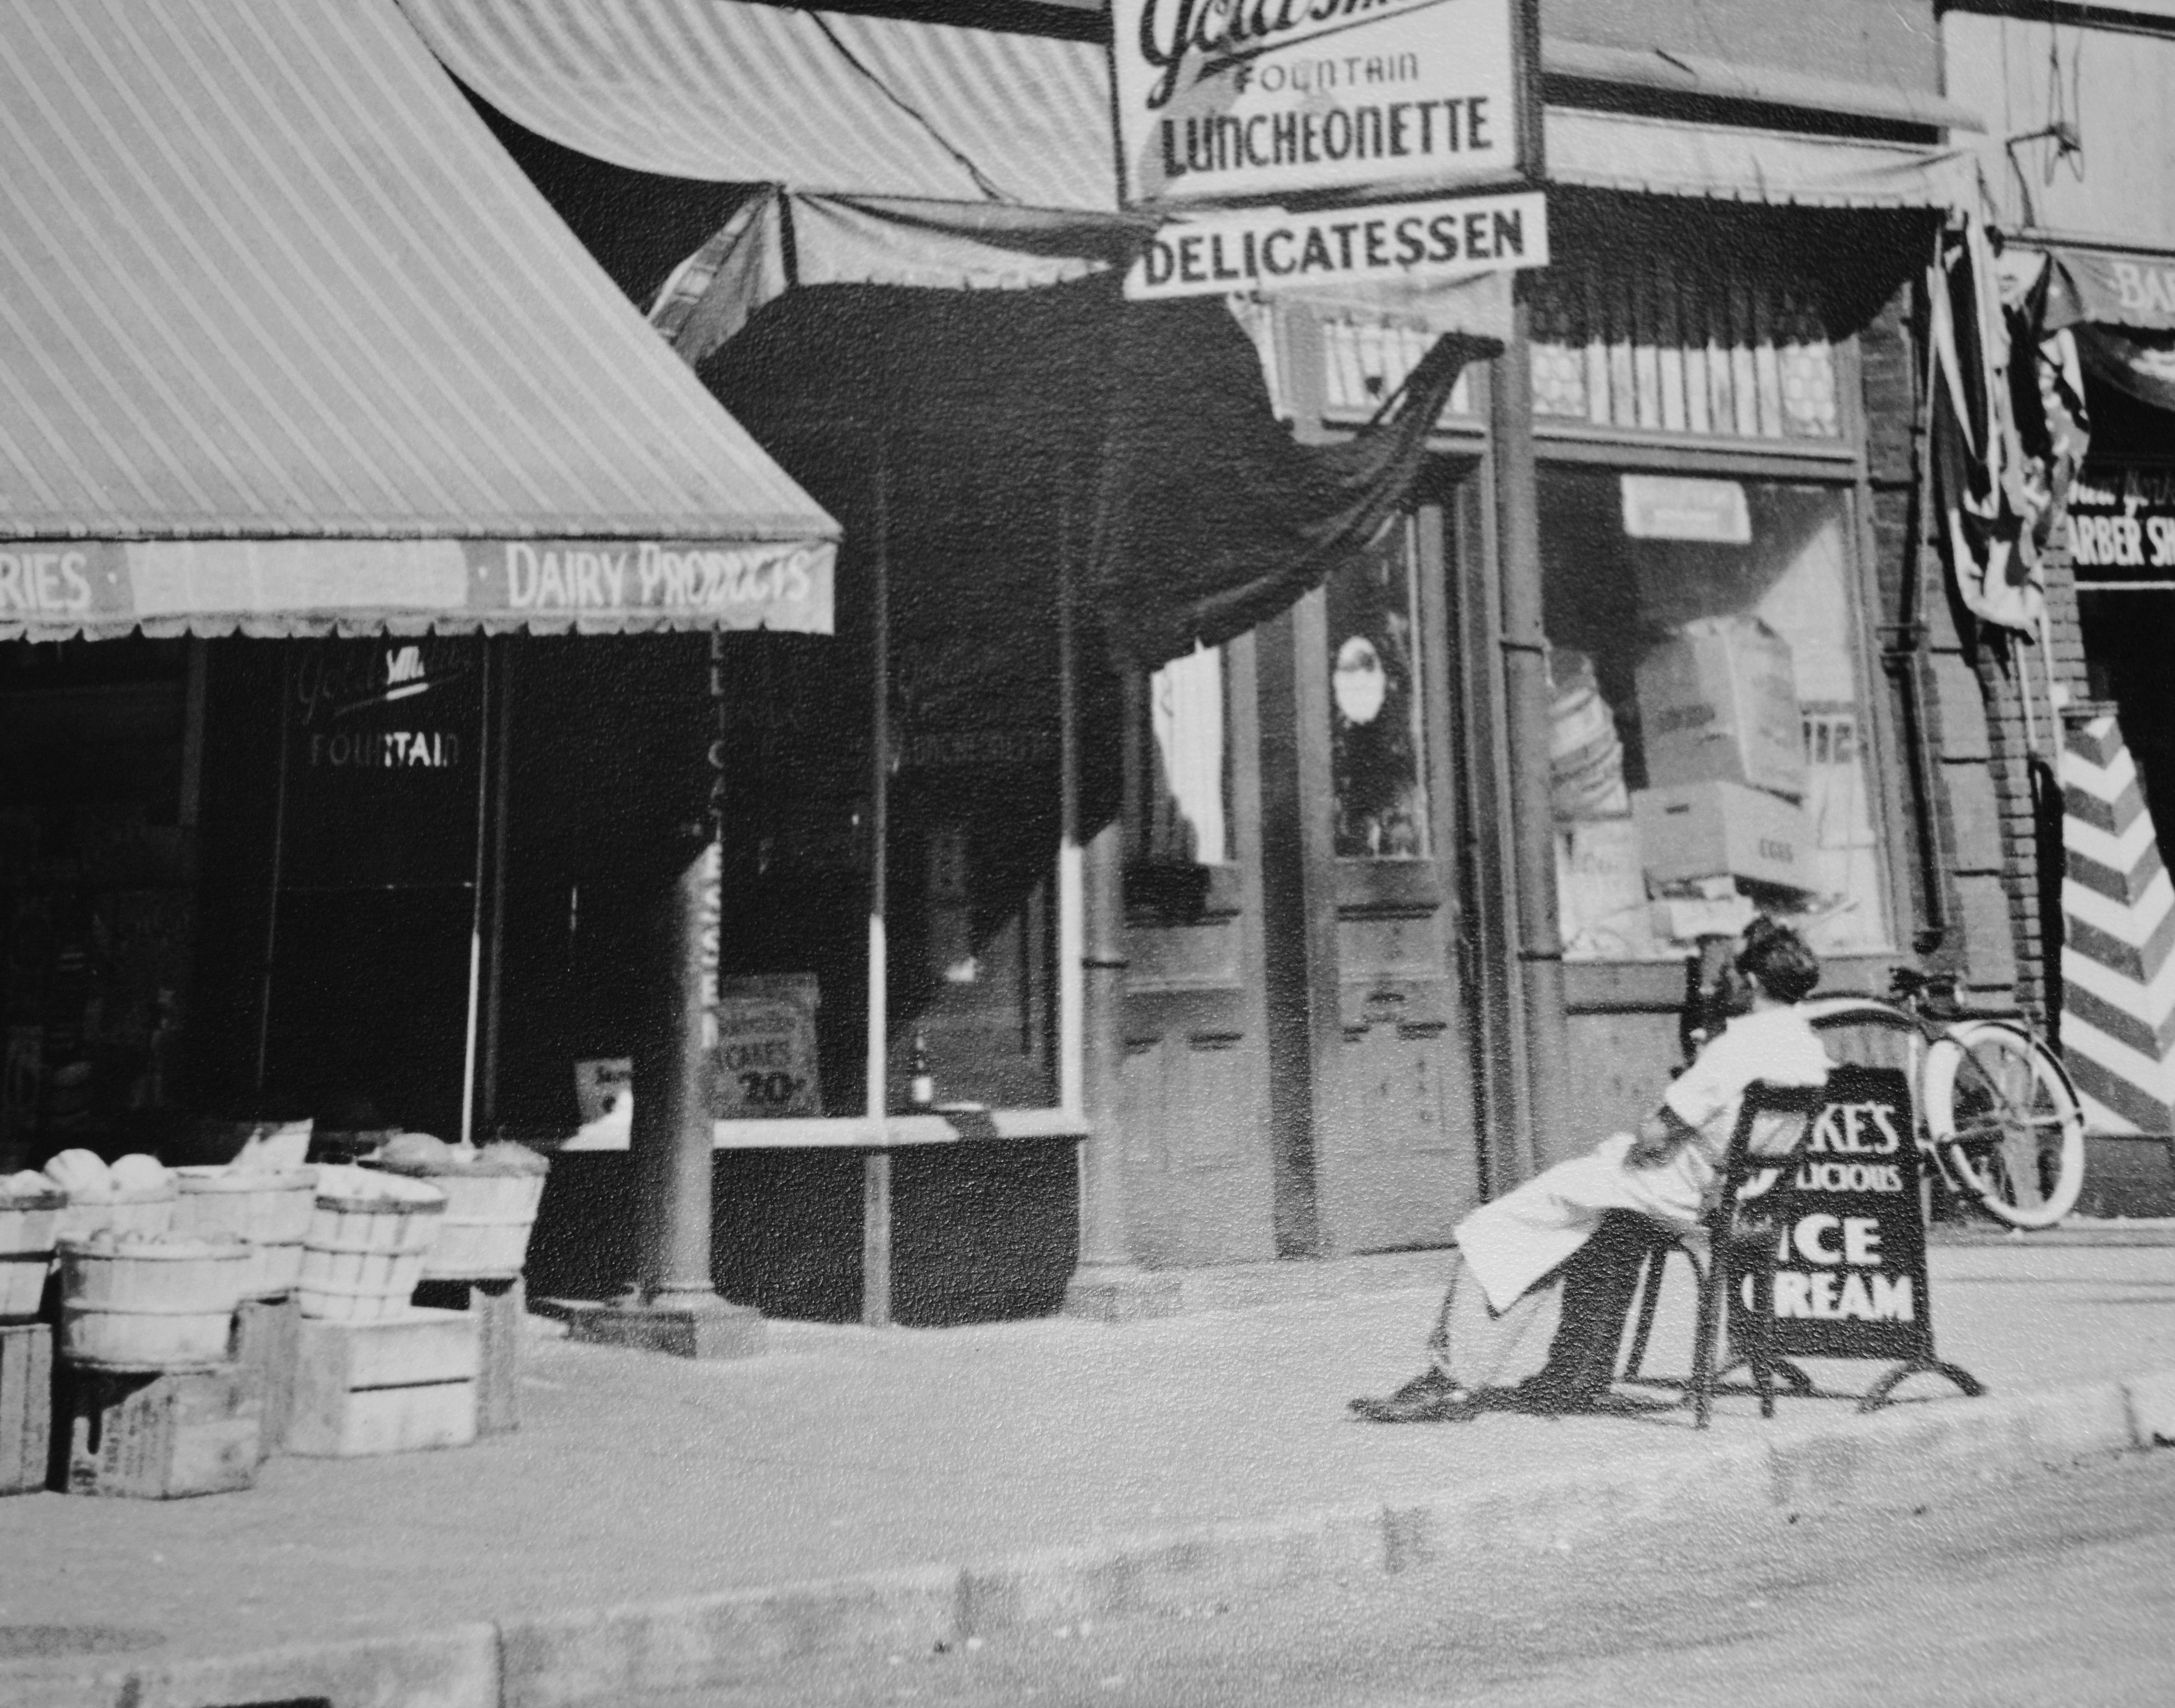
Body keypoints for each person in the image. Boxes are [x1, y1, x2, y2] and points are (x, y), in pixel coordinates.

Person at [1351, 916, 1832, 1424]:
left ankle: (1452, 1379)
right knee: (1606, 1230)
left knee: (1502, 1224)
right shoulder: (1809, 1050)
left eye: (1733, 970)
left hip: (1673, 1189)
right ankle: (1576, 1376)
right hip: (1733, 1200)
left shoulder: (1740, 1045)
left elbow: (1658, 1131)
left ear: (1752, 981)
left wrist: (1650, 1134)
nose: (1724, 979)